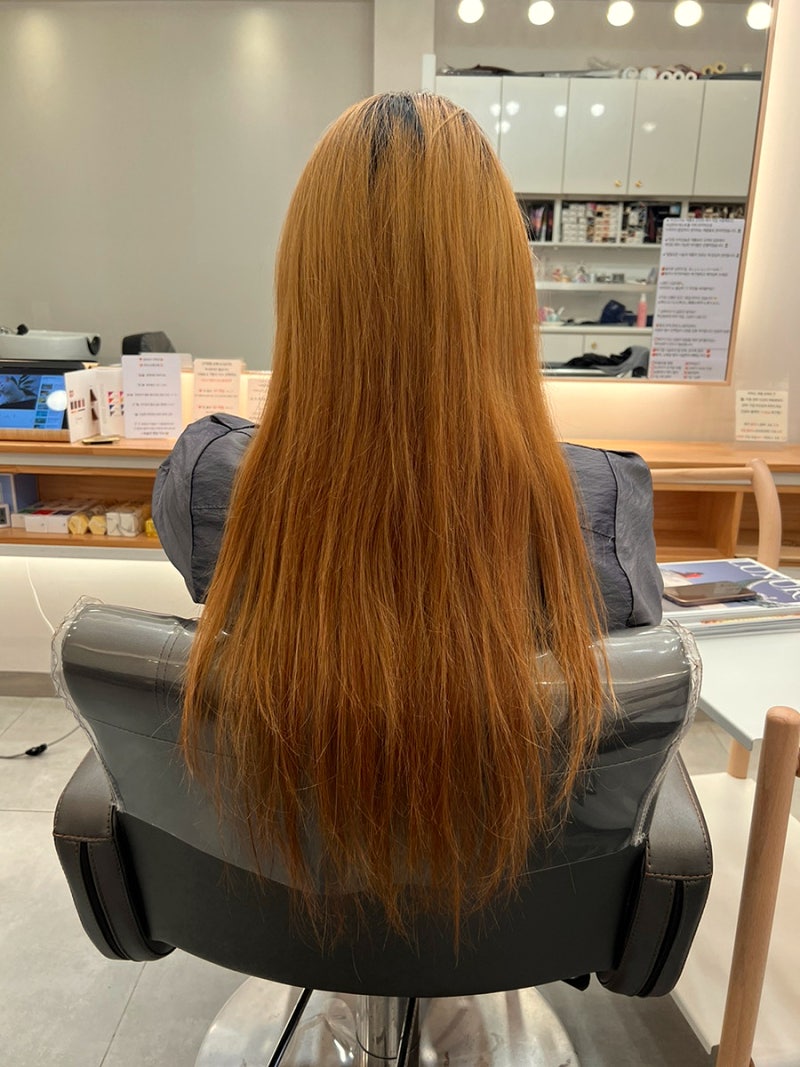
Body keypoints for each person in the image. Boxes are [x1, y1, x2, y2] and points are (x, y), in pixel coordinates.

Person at [153, 92, 662, 932]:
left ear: (305, 283)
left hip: (291, 877)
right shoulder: (604, 500)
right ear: (503, 286)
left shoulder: (210, 479)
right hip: (506, 899)